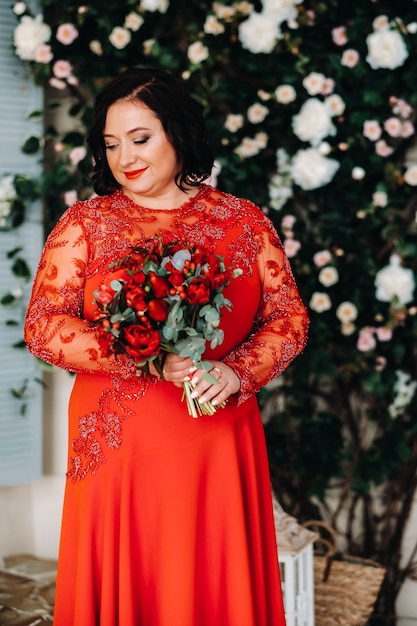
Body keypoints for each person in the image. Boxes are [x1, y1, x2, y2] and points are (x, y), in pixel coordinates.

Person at [24, 67, 309, 626]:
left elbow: (289, 319)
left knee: (210, 582)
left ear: (177, 132)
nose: (124, 157)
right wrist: (143, 354)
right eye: (110, 143)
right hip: (122, 446)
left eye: (140, 137)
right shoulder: (84, 225)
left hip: (217, 439)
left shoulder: (243, 222)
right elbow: (42, 324)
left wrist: (237, 372)